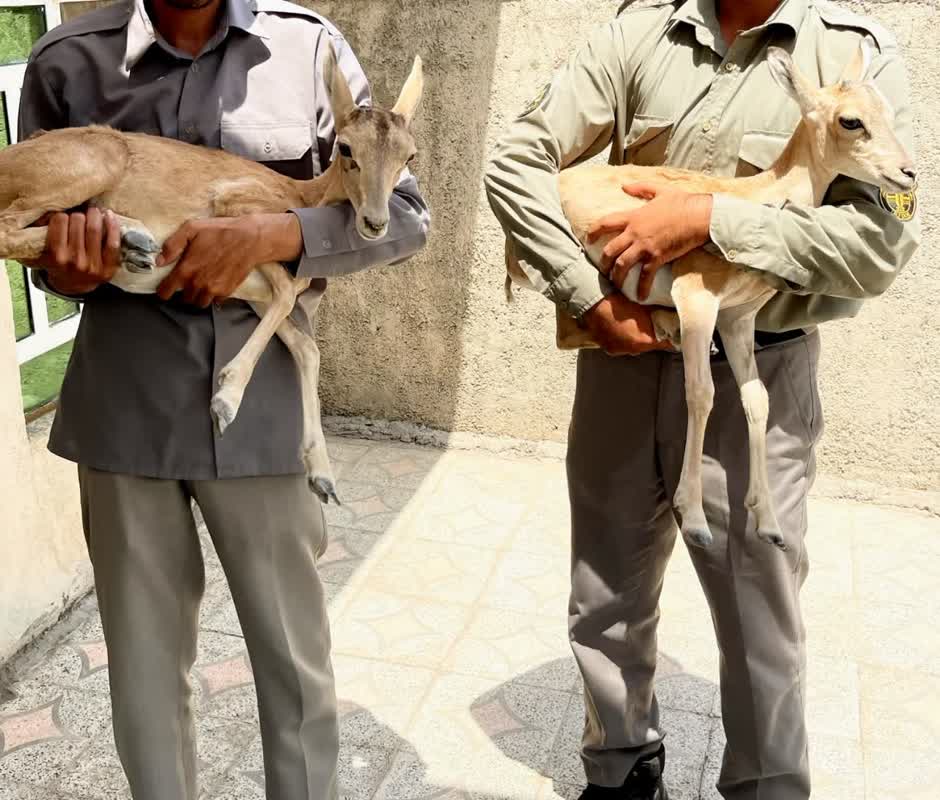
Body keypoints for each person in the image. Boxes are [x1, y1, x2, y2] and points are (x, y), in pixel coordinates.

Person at [485, 1, 919, 798]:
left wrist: (715, 219)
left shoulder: (852, 56)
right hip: (620, 363)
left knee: (762, 608)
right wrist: (588, 296)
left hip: (757, 376)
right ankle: (619, 770)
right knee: (604, 591)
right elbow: (515, 159)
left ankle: (768, 785)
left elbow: (879, 248)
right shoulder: (637, 33)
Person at [18, 0, 429, 798]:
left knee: (293, 668)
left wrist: (280, 235)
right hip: (123, 405)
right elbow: (41, 235)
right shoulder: (68, 60)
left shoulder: (309, 48)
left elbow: (405, 215)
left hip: (263, 404)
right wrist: (62, 268)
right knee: (141, 676)